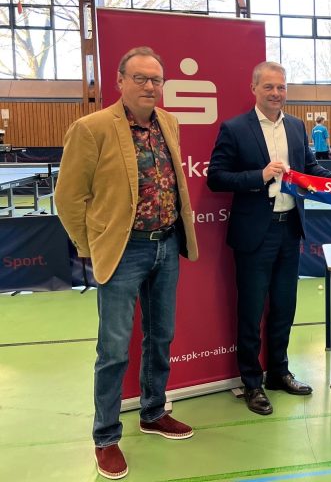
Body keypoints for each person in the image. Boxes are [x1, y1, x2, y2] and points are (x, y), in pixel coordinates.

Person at [54, 46, 199, 480]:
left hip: (166, 245)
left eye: (156, 79)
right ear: (119, 81)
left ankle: (153, 412)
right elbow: (68, 197)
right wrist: (90, 246)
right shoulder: (92, 128)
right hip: (122, 251)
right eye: (140, 78)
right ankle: (105, 436)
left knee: (161, 336)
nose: (149, 86)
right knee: (114, 349)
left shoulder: (168, 123)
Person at [207, 61, 331, 417]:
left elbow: (309, 168)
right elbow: (216, 177)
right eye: (269, 86)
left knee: (284, 307)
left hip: (290, 230)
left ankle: (278, 372)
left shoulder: (297, 127)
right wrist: (260, 175)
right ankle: (251, 383)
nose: (276, 93)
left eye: (281, 87)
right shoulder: (235, 128)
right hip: (255, 233)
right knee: (251, 311)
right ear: (254, 88)